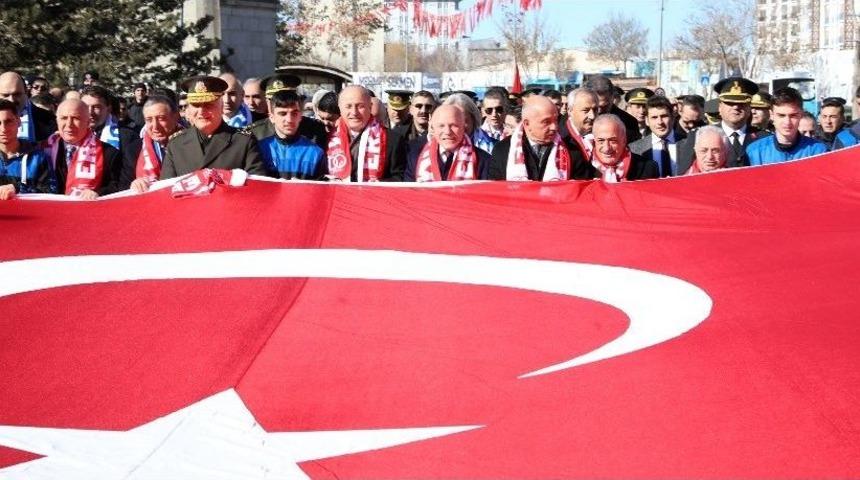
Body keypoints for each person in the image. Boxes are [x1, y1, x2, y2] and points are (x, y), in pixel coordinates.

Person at [160, 75, 267, 179]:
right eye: (196, 105)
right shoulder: (176, 145)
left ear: (221, 107)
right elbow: (166, 190)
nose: (201, 112)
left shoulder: (243, 141)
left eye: (208, 105)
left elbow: (256, 186)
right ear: (188, 108)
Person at [325, 85, 406, 182]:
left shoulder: (393, 140)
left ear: (370, 107)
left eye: (360, 106)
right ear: (340, 108)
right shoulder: (326, 138)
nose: (354, 112)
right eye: (348, 106)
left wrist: (379, 184)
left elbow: (400, 178)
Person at [678, 77, 763, 169]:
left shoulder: (764, 138)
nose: (735, 107)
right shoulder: (699, 135)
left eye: (741, 103)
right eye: (729, 102)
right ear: (720, 107)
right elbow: (684, 175)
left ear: (749, 107)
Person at [489, 96, 580, 181]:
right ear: (527, 124)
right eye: (546, 122)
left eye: (556, 120)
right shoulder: (503, 150)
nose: (554, 127)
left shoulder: (571, 151)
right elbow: (496, 190)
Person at [46, 99, 122, 199]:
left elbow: (118, 186)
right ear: (57, 120)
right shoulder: (44, 150)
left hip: (90, 210)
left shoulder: (109, 153)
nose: (69, 124)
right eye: (64, 118)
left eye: (76, 118)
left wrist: (98, 193)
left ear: (88, 122)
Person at [404, 104, 491, 182]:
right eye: (441, 126)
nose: (447, 131)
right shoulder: (415, 158)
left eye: (453, 125)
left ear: (463, 127)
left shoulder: (483, 161)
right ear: (432, 128)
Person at [244, 74, 328, 150]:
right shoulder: (254, 132)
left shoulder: (314, 129)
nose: (281, 105)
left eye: (286, 100)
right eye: (274, 101)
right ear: (268, 103)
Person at [746, 87, 827, 165]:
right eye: (781, 115)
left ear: (801, 115)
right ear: (771, 115)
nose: (787, 122)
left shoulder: (818, 152)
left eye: (793, 115)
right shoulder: (755, 152)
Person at [258, 90, 326, 180]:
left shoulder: (316, 153)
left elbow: (322, 190)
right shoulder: (259, 149)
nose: (289, 119)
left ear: (300, 116)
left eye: (294, 113)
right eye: (283, 114)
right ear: (272, 118)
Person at [123, 95, 184, 193]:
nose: (155, 126)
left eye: (161, 118)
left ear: (176, 116)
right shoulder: (133, 150)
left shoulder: (192, 143)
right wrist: (134, 184)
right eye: (149, 120)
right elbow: (122, 188)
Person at [0, 99, 54, 199]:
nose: (3, 128)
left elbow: (51, 191)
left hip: (27, 212)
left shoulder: (38, 158)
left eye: (8, 121)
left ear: (19, 121)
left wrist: (19, 188)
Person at [581, 114, 659, 182]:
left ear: (624, 141)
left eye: (613, 141)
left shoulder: (647, 168)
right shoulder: (582, 168)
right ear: (594, 141)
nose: (607, 148)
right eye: (601, 141)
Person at [629, 95, 686, 177]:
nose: (660, 122)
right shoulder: (635, 149)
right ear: (647, 121)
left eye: (664, 116)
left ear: (673, 118)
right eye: (654, 117)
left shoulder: (689, 143)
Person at [0, 71, 56, 142]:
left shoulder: (49, 120)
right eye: (5, 95)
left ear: (26, 92)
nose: (11, 100)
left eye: (17, 94)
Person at [584, 75, 641, 144]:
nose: (600, 110)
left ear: (613, 97)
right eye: (596, 106)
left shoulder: (628, 122)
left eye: (605, 106)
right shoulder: (576, 119)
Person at [560, 87, 599, 164]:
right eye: (586, 110)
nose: (592, 116)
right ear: (570, 110)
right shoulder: (560, 139)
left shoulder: (603, 134)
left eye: (595, 110)